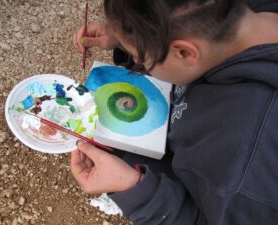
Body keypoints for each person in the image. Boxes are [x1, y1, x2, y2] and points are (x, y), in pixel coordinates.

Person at [71, 0, 278, 224]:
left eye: (140, 57)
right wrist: (129, 36)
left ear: (185, 52)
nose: (138, 62)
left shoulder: (245, 176)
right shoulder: (236, 16)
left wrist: (137, 192)